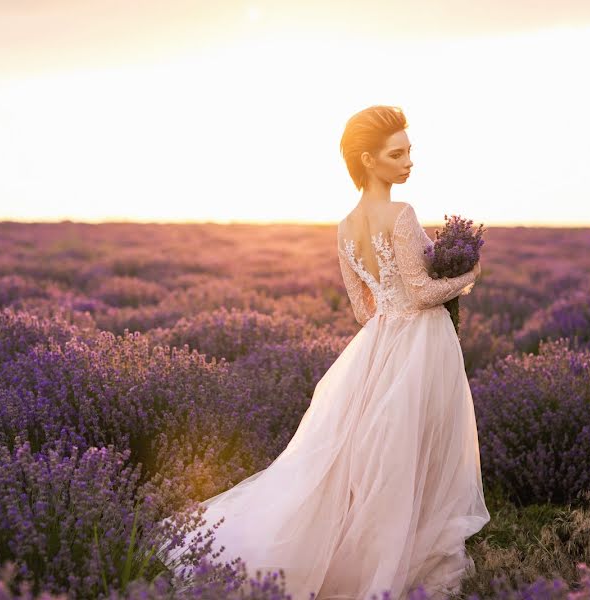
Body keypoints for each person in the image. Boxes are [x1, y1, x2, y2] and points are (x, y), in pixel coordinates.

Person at [159, 105, 490, 600]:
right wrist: (467, 278)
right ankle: (402, 559)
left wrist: (395, 309)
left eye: (409, 152)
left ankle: (368, 550)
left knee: (371, 459)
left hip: (378, 344)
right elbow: (422, 294)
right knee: (417, 451)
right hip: (419, 344)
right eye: (396, 154)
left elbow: (363, 309)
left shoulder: (344, 226)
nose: (408, 163)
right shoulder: (401, 215)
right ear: (367, 159)